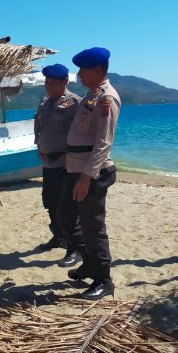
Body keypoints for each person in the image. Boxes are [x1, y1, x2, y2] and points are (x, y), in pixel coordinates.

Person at [57, 47, 121, 300]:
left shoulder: (107, 97)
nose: (79, 74)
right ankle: (89, 263)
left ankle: (104, 279)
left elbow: (103, 142)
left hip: (91, 173)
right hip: (75, 167)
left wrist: (87, 176)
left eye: (83, 69)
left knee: (93, 226)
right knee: (65, 217)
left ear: (96, 70)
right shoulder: (92, 94)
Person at [33, 64, 82, 257]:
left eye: (53, 82)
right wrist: (39, 145)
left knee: (67, 207)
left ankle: (75, 247)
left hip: (65, 164)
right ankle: (59, 237)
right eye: (46, 81)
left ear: (65, 82)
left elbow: (81, 133)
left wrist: (71, 153)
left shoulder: (75, 103)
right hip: (48, 162)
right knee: (50, 202)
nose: (48, 85)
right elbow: (40, 126)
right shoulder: (45, 101)